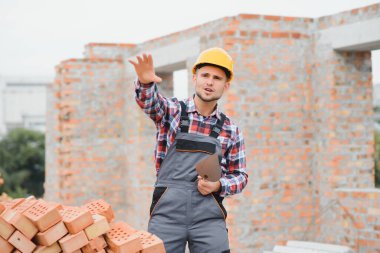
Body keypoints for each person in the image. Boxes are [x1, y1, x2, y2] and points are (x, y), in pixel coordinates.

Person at [128, 47, 248, 253]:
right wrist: (146, 83)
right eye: (205, 75)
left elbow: (240, 176)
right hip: (167, 216)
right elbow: (150, 103)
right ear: (195, 78)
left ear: (226, 85)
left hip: (208, 220)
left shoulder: (230, 129)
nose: (210, 82)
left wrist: (218, 185)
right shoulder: (172, 112)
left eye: (217, 78)